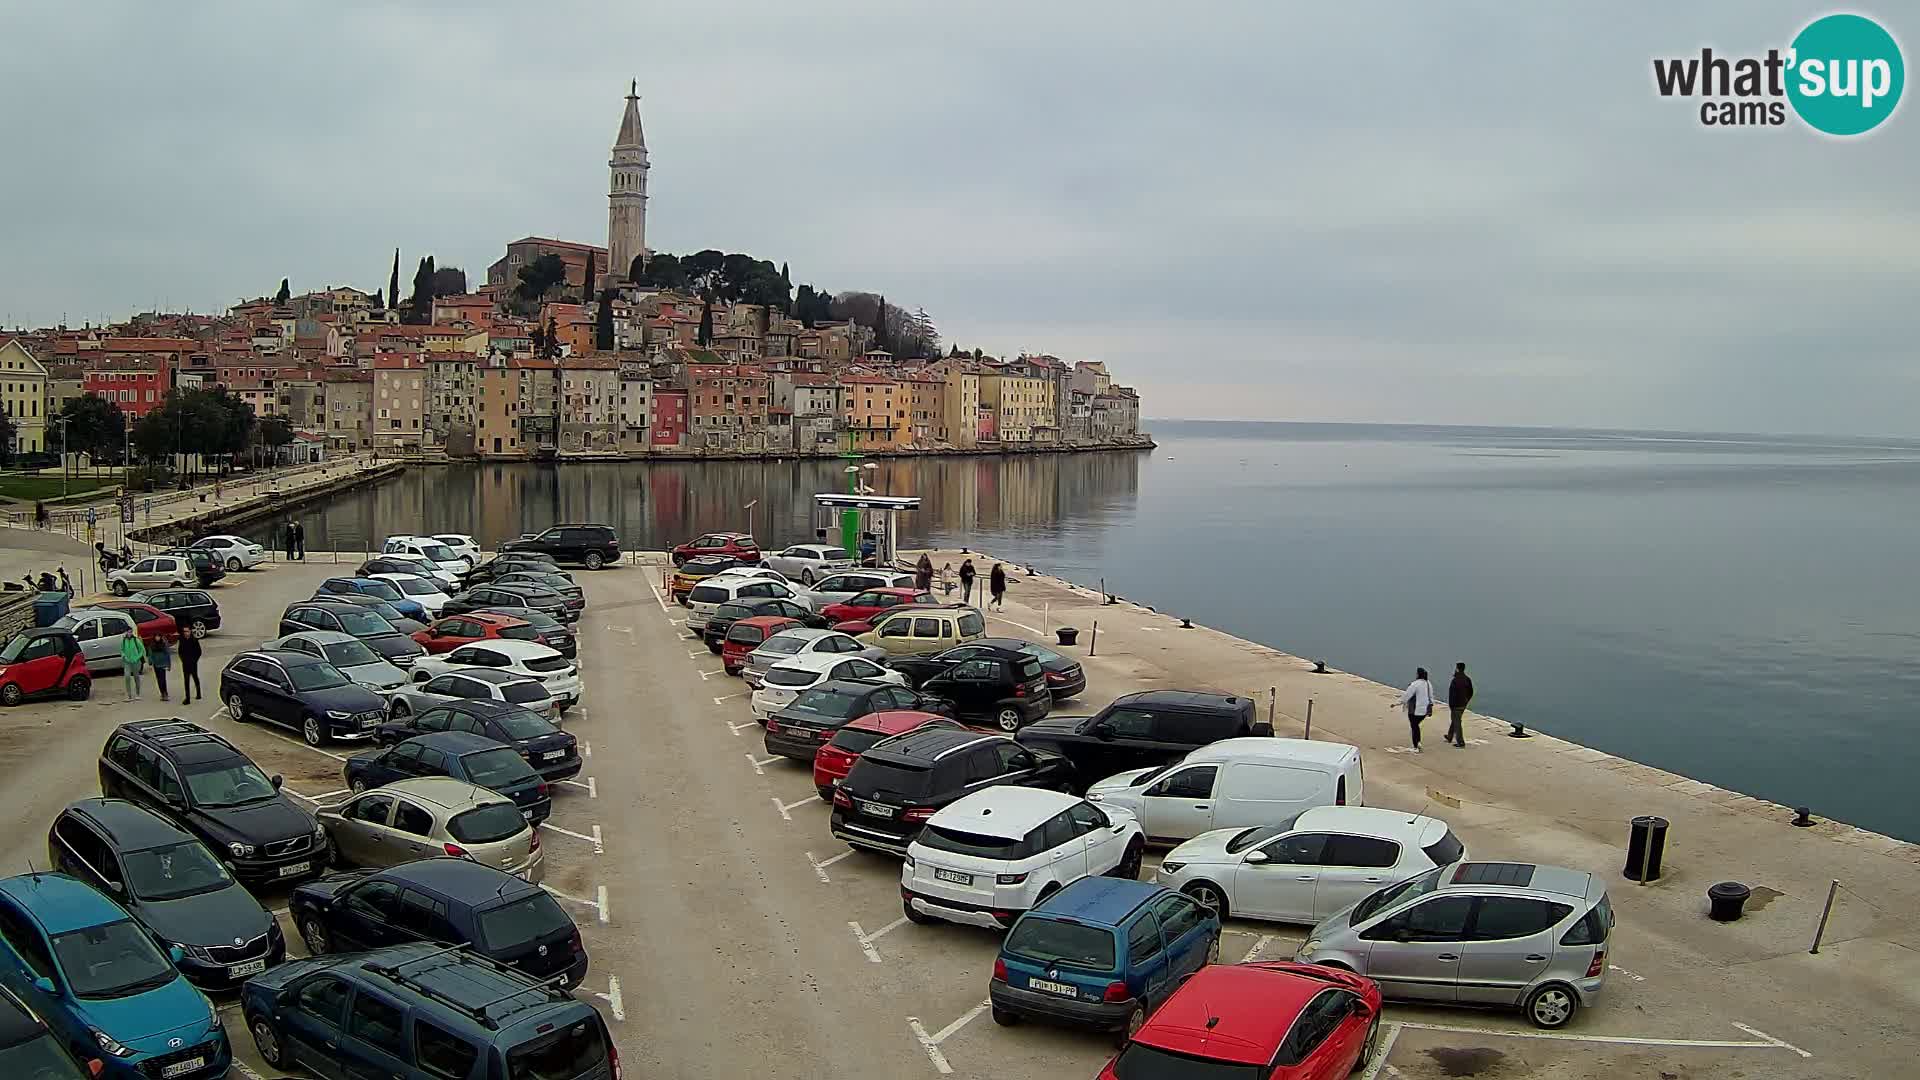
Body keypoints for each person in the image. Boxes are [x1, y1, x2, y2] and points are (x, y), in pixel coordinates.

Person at [1401, 667, 1434, 752]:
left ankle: (1416, 745)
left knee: (1414, 726)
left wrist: (1398, 702)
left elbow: (1407, 695)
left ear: (1418, 674)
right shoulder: (1428, 683)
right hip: (1424, 711)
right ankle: (1417, 743)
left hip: (1414, 710)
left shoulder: (1415, 684)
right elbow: (1431, 697)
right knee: (1416, 726)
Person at [1446, 662, 1474, 748]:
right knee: (1455, 720)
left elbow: (1452, 694)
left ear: (1457, 669)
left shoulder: (1455, 680)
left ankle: (1460, 742)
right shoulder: (1467, 679)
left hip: (1455, 705)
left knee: (1457, 722)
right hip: (1463, 704)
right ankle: (1450, 736)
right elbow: (1471, 692)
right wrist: (1466, 700)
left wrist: (1451, 705)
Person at [119, 631, 147, 701]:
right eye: (128, 632)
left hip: (136, 662)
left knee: (136, 677)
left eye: (130, 632)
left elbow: (142, 650)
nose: (129, 633)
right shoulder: (123, 640)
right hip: (127, 662)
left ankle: (138, 694)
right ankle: (129, 695)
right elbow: (121, 650)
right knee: (127, 677)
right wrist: (124, 656)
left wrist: (137, 657)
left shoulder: (135, 640)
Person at [178, 628, 203, 705]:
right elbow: (180, 651)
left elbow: (199, 652)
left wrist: (194, 660)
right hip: (185, 663)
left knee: (195, 677)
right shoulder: (182, 640)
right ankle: (187, 698)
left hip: (193, 663)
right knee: (186, 680)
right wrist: (183, 659)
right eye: (184, 631)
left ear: (190, 632)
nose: (186, 633)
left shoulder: (194, 640)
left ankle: (198, 693)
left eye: (187, 631)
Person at [149, 634, 174, 702]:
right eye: (156, 636)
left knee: (163, 679)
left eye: (158, 636)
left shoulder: (164, 644)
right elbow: (150, 654)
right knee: (159, 679)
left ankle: (165, 693)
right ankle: (162, 693)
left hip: (163, 664)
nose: (157, 638)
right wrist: (150, 661)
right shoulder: (152, 645)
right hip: (156, 664)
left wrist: (168, 665)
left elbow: (167, 654)